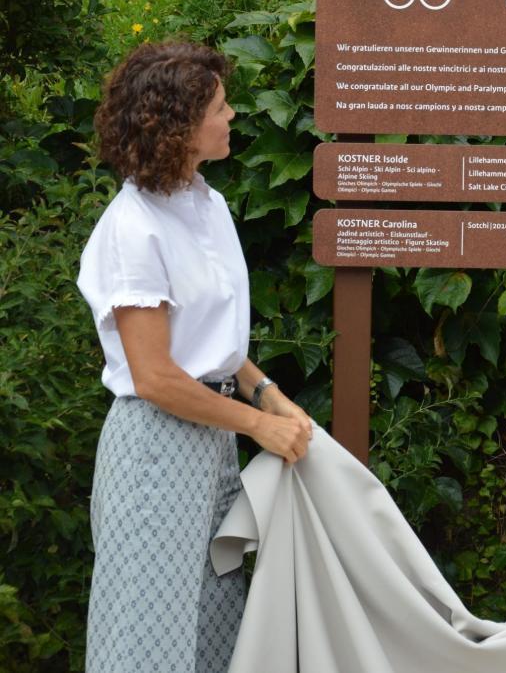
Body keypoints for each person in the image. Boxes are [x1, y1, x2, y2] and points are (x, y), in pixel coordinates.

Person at [77, 41, 313, 673]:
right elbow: (154, 377)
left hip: (210, 441)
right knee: (146, 638)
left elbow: (213, 344)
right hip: (154, 449)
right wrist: (260, 426)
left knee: (212, 626)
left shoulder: (205, 203)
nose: (232, 114)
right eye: (219, 105)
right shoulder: (133, 228)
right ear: (178, 125)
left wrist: (267, 394)